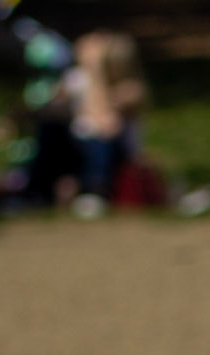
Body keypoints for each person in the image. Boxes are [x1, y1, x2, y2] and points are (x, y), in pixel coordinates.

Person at [63, 30, 146, 218]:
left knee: (100, 138)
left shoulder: (131, 88)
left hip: (117, 154)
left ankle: (95, 190)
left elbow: (101, 117)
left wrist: (95, 70)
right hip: (79, 148)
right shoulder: (78, 80)